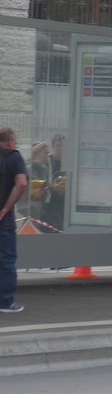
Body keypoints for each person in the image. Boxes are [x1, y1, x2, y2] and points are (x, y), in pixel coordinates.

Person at [0, 127, 29, 313]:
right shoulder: (13, 157)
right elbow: (21, 183)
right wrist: (5, 208)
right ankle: (5, 302)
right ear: (10, 141)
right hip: (3, 221)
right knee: (6, 259)